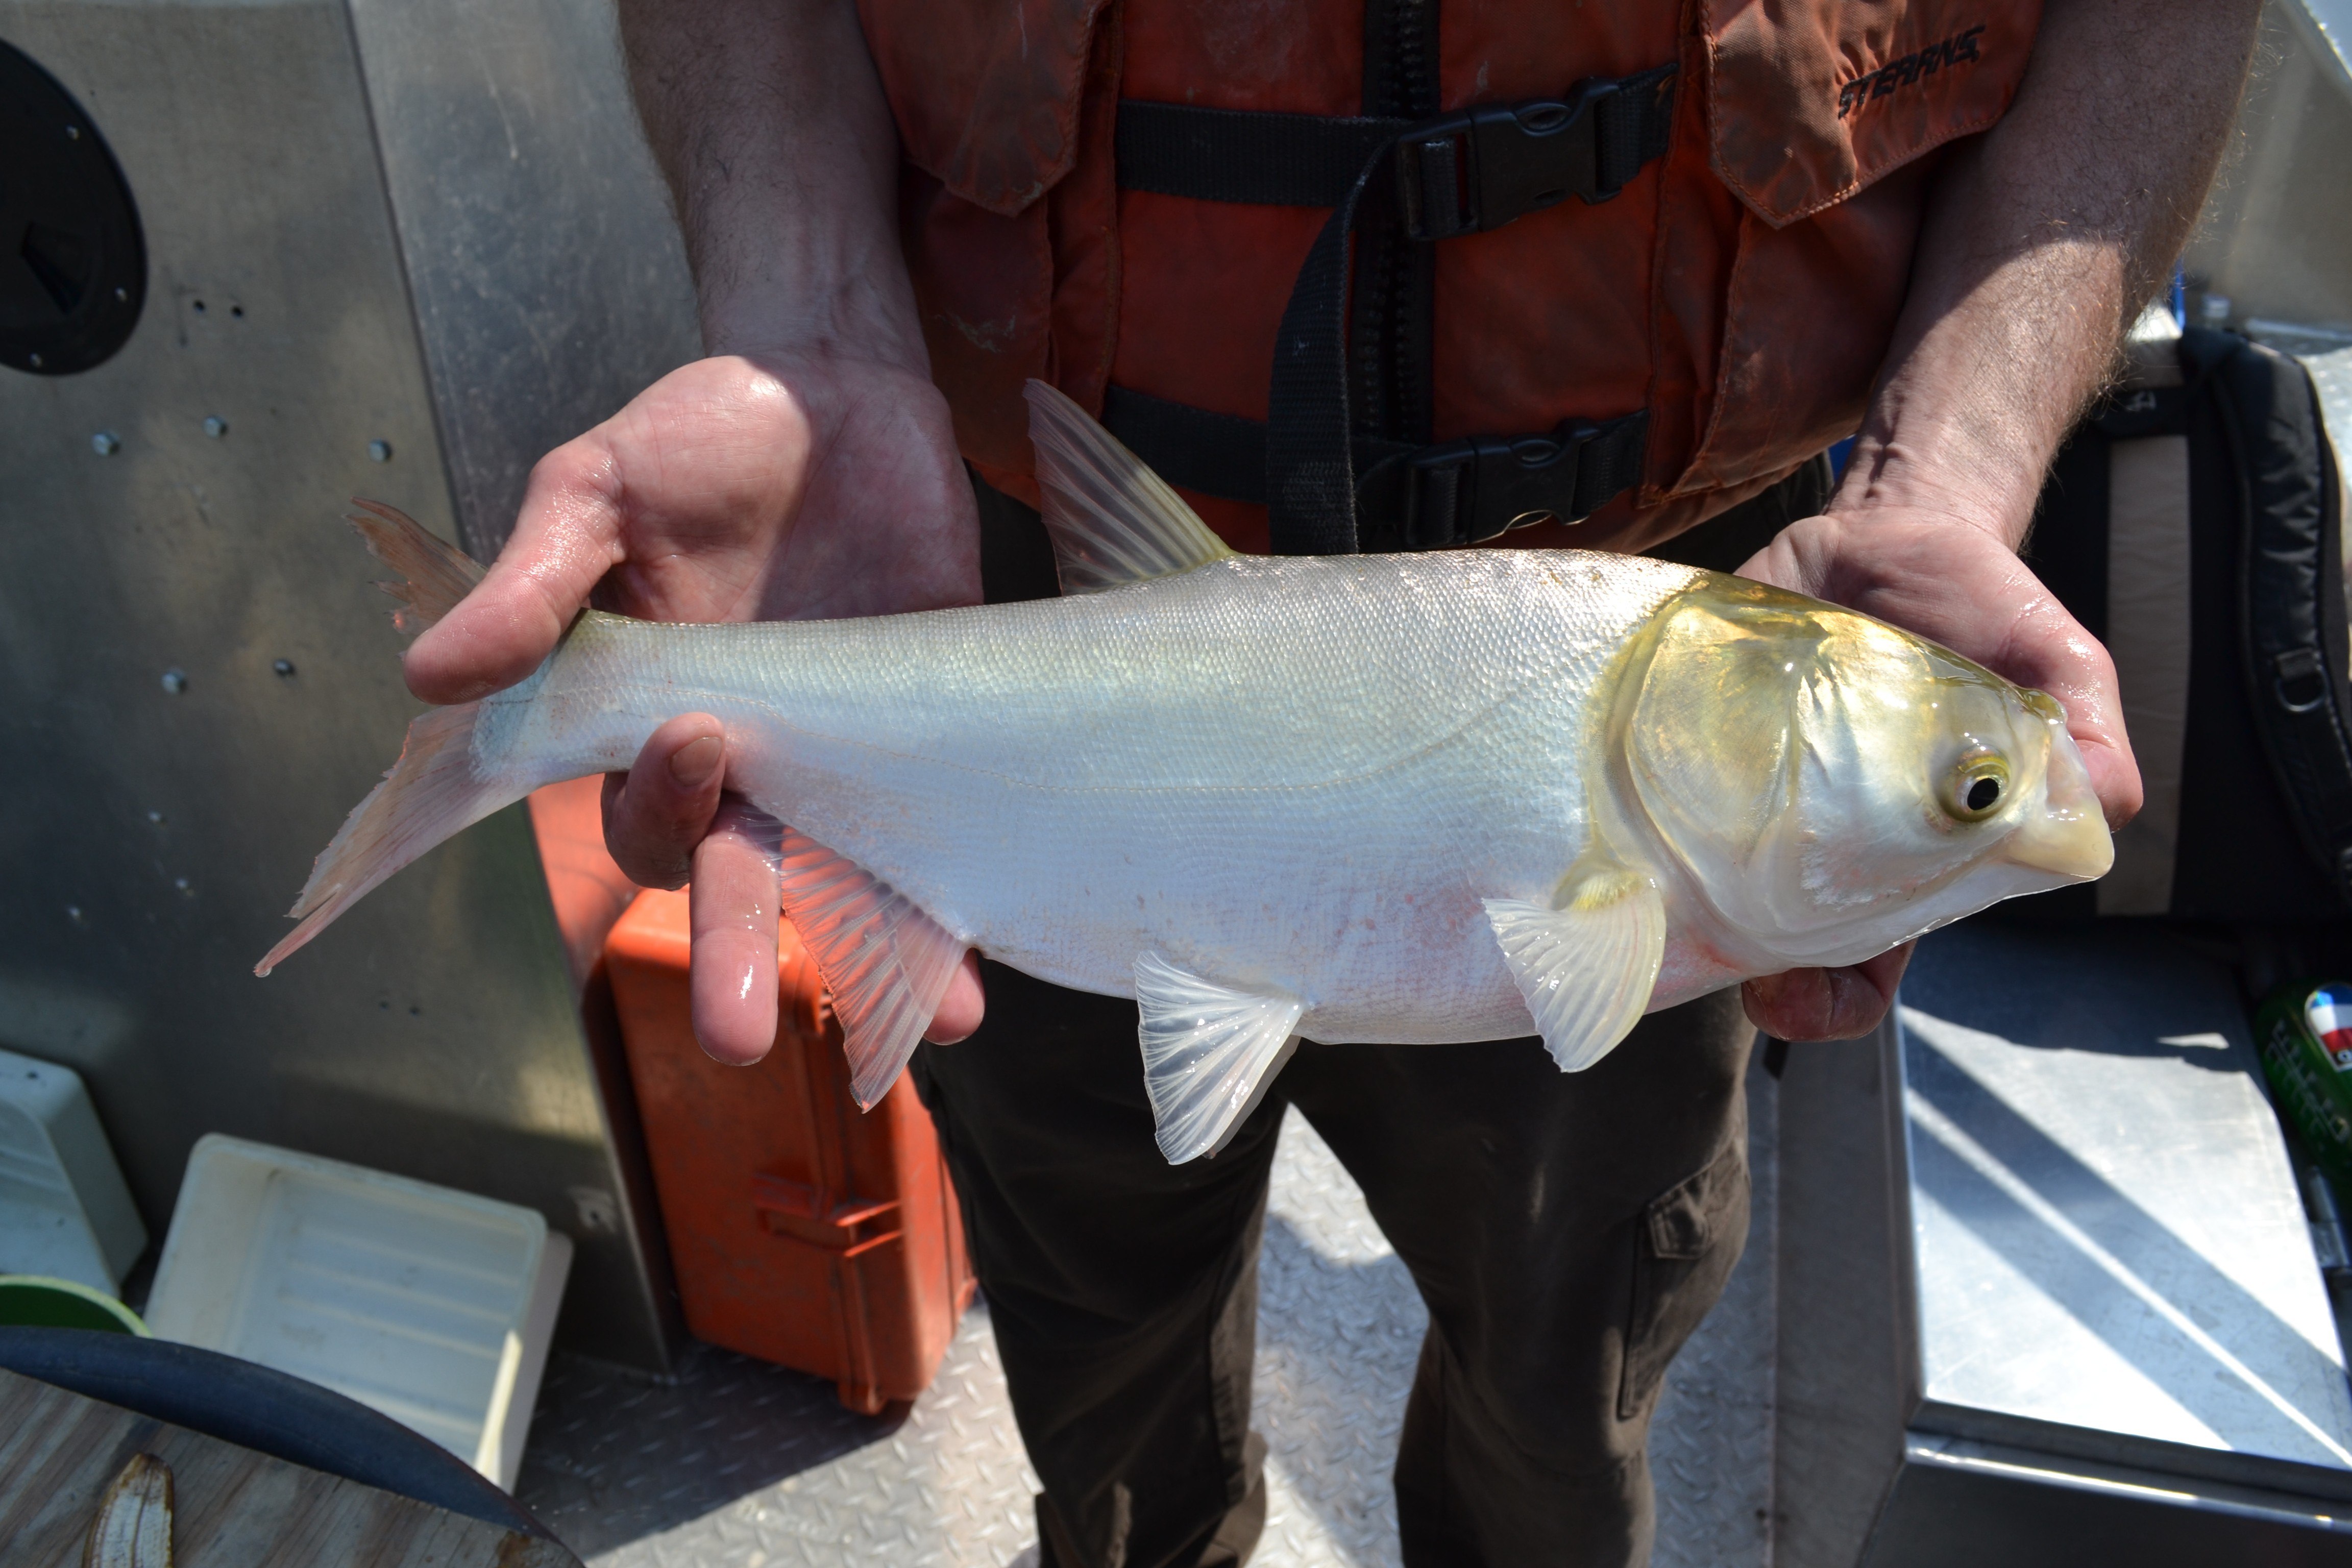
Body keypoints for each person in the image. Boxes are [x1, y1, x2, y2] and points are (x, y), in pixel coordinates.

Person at [407, 3, 2253, 1562]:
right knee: (1097, 1317)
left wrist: (1940, 478)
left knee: (1560, 1371)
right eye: (1960, 798)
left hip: (1704, 553)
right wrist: (801, 322)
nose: (1992, 828)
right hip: (958, 545)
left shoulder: (1711, 797)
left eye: (1956, 803)